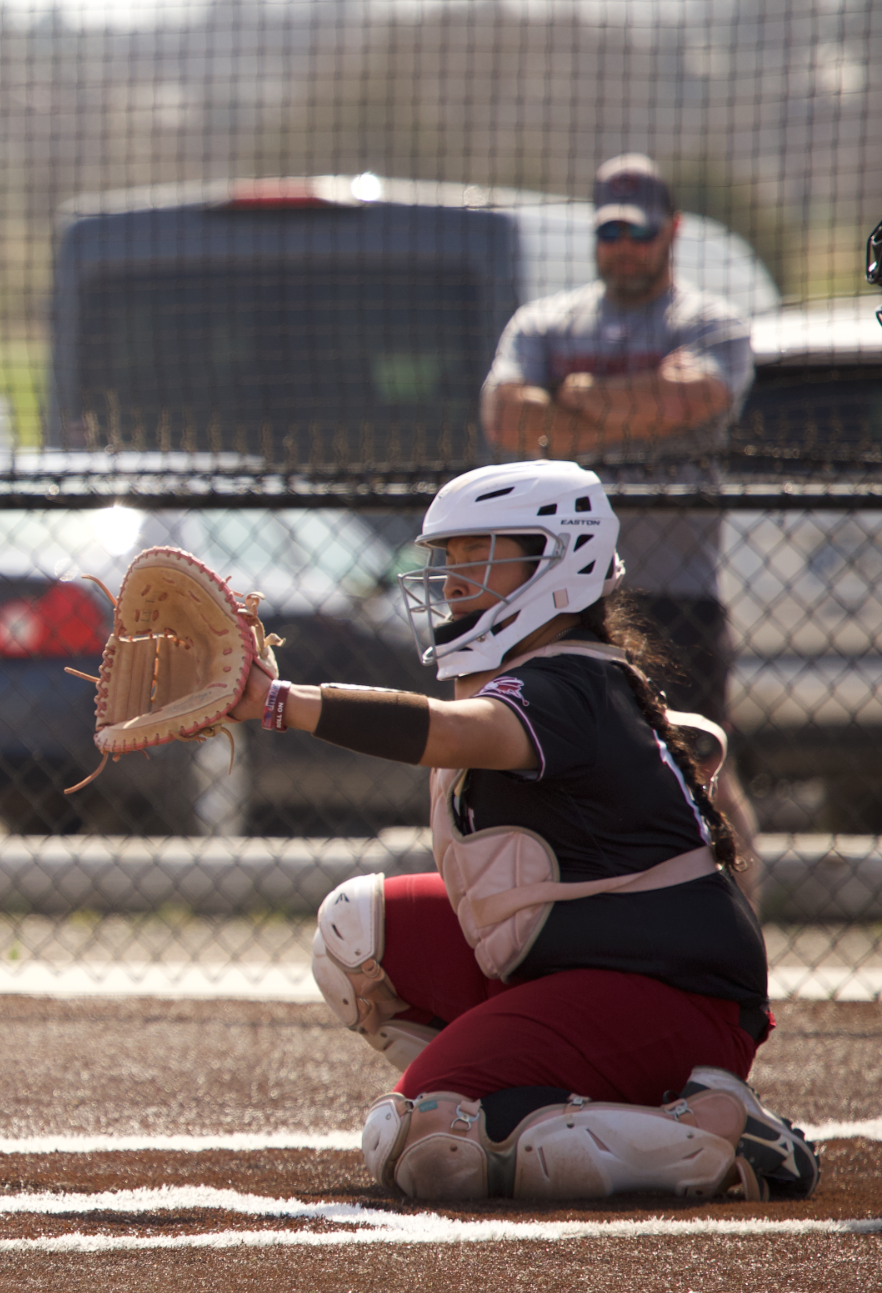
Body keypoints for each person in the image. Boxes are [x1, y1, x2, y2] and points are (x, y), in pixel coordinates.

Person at [233, 459, 817, 1203]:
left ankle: (718, 1126)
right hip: (583, 963)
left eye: (477, 553)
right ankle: (523, 1086)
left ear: (556, 559)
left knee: (420, 1140)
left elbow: (451, 732)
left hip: (667, 996)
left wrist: (281, 701)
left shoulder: (564, 680)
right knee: (355, 933)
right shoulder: (553, 673)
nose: (449, 579)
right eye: (447, 556)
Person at [479, 153, 761, 887]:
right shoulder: (545, 321)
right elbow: (506, 414)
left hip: (674, 594)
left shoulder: (710, 323)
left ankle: (740, 944)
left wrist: (571, 403)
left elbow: (691, 399)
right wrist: (631, 406)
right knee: (551, 767)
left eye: (637, 232)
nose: (623, 247)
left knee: (700, 769)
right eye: (609, 232)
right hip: (560, 600)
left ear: (669, 232)